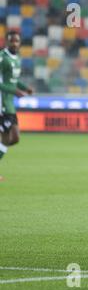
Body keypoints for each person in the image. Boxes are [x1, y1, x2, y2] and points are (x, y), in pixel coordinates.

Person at [0, 31, 33, 181]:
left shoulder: (17, 59)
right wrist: (15, 91)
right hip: (1, 103)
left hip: (9, 104)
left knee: (12, 139)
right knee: (10, 136)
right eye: (12, 41)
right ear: (7, 42)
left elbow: (13, 80)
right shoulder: (2, 57)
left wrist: (25, 88)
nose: (15, 43)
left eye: (17, 41)